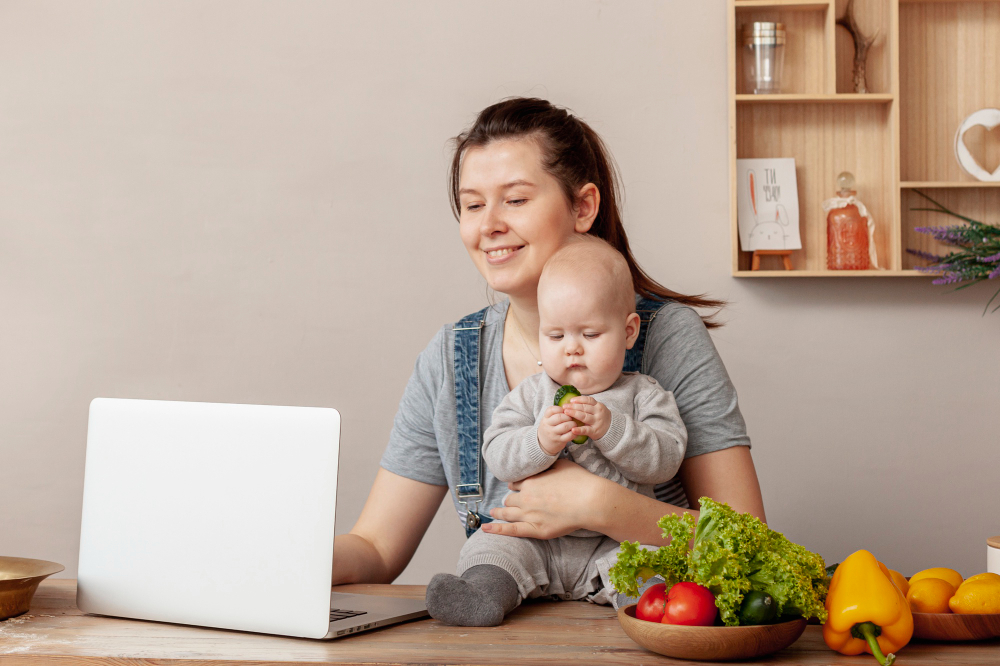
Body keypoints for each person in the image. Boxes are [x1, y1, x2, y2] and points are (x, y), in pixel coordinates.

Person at [330, 97, 765, 595]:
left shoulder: (667, 337)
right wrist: (286, 555)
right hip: (510, 644)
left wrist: (599, 505)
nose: (488, 224)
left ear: (583, 207)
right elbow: (377, 548)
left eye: (515, 200)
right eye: (472, 205)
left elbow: (748, 545)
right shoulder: (452, 358)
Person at [425, 235, 688, 626]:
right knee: (492, 543)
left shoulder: (645, 395)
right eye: (556, 335)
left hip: (614, 541)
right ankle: (481, 593)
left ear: (629, 331)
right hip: (534, 541)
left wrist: (611, 429)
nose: (572, 349)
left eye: (591, 334)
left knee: (645, 562)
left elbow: (665, 460)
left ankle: (647, 604)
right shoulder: (531, 394)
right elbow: (497, 453)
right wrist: (539, 440)